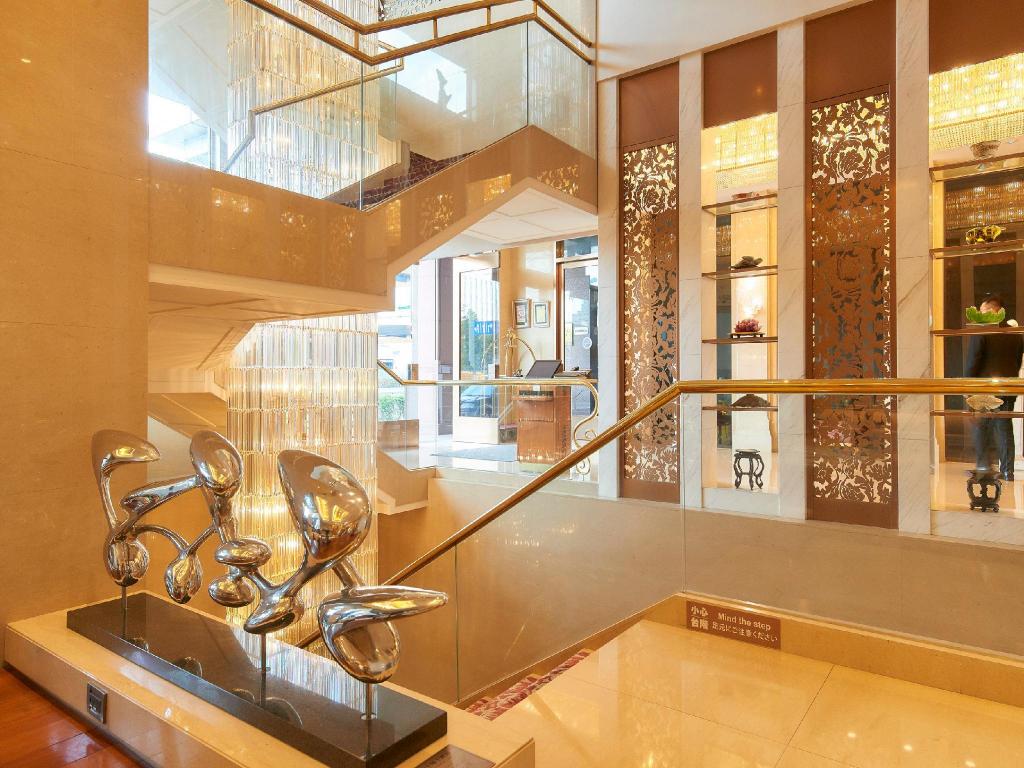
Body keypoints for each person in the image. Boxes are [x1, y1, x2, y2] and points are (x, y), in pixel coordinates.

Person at [966, 294, 1024, 480]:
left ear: (996, 311)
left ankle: (984, 466)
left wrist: (966, 387)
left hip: (984, 389)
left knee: (981, 427)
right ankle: (1007, 472)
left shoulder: (982, 331)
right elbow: (1017, 362)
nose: (980, 315)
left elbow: (973, 361)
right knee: (1004, 428)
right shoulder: (1015, 334)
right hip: (1008, 388)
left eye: (984, 311)